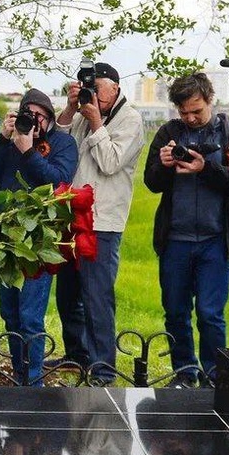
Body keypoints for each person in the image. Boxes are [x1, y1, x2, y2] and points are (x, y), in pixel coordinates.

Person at [143, 71, 229, 383]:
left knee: (211, 315)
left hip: (215, 240)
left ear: (210, 99)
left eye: (196, 110)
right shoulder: (168, 133)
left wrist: (205, 167)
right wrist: (165, 166)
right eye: (184, 112)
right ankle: (185, 372)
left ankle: (215, 376)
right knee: (175, 312)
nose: (191, 118)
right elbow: (151, 183)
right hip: (175, 240)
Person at [0, 88, 78, 384]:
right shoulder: (10, 142)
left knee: (31, 316)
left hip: (40, 238)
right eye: (27, 114)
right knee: (10, 314)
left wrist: (29, 151)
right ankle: (19, 375)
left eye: (39, 116)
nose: (33, 122)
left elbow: (58, 181)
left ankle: (33, 382)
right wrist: (2, 139)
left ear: (48, 119)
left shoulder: (63, 142)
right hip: (6, 237)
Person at [53, 61, 144, 377]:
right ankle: (76, 355)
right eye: (89, 88)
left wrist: (95, 123)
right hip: (70, 216)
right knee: (67, 295)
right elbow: (58, 143)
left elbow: (109, 162)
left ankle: (103, 367)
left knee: (97, 298)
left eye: (99, 87)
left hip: (102, 222)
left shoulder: (130, 120)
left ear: (116, 87)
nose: (93, 94)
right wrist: (69, 108)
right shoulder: (83, 112)